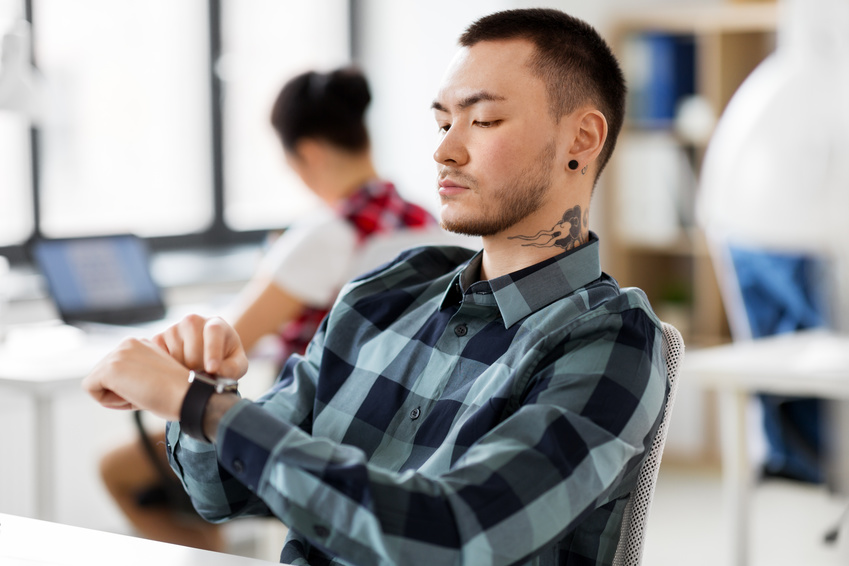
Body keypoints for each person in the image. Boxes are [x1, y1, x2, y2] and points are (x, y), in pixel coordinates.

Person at [83, 9, 668, 566]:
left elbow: (450, 540)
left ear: (582, 140)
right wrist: (210, 389)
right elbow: (223, 493)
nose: (444, 150)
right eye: (442, 122)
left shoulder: (609, 339)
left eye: (483, 120)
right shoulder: (385, 294)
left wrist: (200, 407)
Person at [97, 66, 445, 552]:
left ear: (308, 153)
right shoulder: (429, 224)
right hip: (406, 436)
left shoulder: (328, 234)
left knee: (119, 470)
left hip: (318, 432)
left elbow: (226, 340)